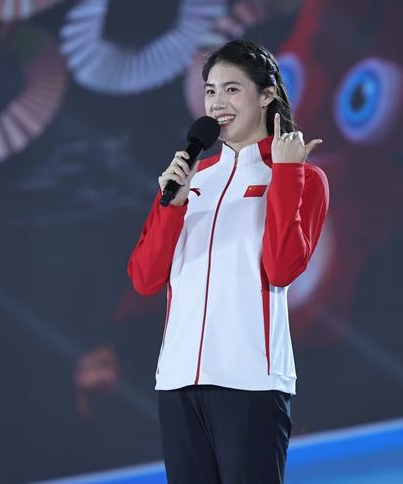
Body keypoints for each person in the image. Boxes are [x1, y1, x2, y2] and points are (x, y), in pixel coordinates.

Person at [127, 38, 329, 483]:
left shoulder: (301, 177)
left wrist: (287, 173)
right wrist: (171, 206)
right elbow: (144, 278)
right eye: (211, 91)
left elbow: (282, 267)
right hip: (177, 382)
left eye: (232, 89)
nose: (217, 103)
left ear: (267, 94)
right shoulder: (191, 179)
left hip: (250, 381)